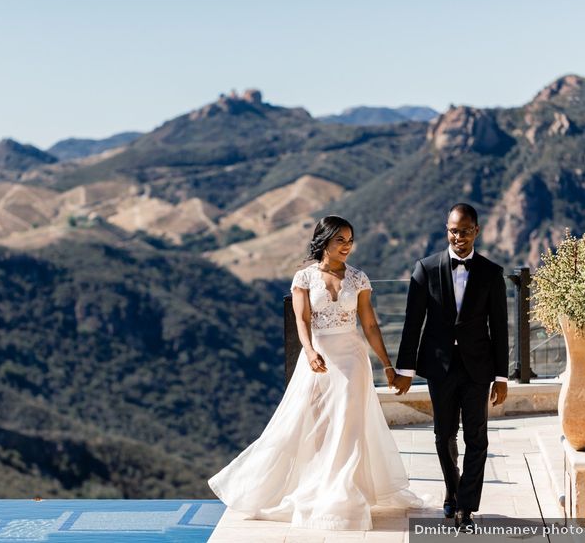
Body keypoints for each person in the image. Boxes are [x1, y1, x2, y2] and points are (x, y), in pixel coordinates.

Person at [208, 215, 425, 531]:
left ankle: (345, 496)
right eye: (341, 240)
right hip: (319, 358)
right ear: (324, 241)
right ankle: (300, 486)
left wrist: (386, 364)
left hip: (353, 359)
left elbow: (370, 324)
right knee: (312, 425)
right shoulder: (304, 278)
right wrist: (309, 352)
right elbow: (302, 320)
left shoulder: (359, 278)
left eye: (350, 240)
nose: (347, 246)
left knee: (349, 426)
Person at [392, 203, 509, 528]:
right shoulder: (425, 269)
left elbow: (500, 328)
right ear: (448, 231)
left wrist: (501, 376)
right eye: (454, 231)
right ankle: (452, 490)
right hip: (439, 367)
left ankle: (465, 507)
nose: (460, 236)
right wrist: (406, 369)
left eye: (466, 230)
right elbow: (412, 323)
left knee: (477, 438)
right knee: (444, 435)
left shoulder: (491, 273)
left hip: (478, 368)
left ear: (476, 231)